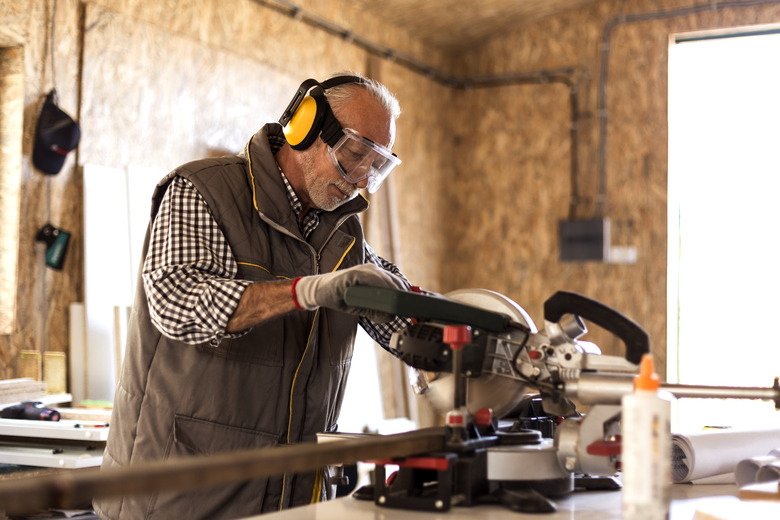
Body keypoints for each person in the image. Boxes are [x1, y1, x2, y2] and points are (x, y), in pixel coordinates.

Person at [93, 72, 413, 520]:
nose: (360, 179)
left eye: (375, 167)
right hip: (177, 498)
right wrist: (306, 291)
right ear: (304, 128)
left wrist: (464, 341)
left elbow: (403, 312)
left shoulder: (340, 232)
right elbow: (177, 301)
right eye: (353, 155)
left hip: (288, 501)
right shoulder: (202, 191)